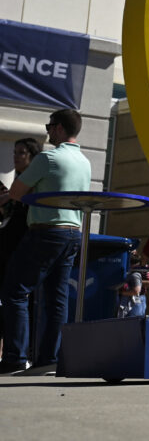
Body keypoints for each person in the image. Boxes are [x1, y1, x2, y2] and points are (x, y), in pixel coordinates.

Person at [0, 109, 91, 374]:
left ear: (60, 128)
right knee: (56, 299)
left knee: (14, 291)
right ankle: (49, 358)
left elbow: (16, 193)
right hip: (73, 232)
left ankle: (15, 357)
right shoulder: (84, 162)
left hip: (45, 231)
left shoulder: (48, 158)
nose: (48, 131)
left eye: (50, 126)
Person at [1, 137, 43, 357]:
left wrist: (9, 197)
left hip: (22, 247)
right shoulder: (18, 180)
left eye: (21, 153)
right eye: (15, 152)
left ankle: (19, 353)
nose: (16, 157)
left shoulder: (32, 183)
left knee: (18, 298)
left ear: (32, 157)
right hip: (8, 246)